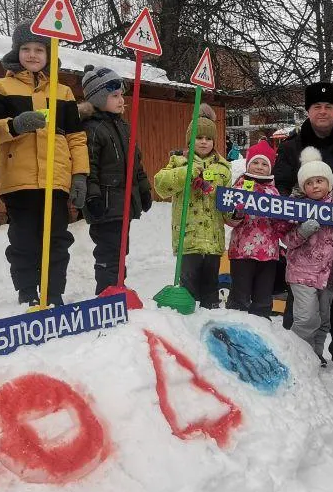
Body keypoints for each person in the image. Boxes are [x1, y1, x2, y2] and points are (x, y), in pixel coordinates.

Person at [0, 22, 89, 307]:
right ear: (16, 52)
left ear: (49, 54)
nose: (32, 55)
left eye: (39, 49)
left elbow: (77, 138)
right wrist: (14, 125)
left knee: (57, 240)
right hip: (20, 181)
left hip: (56, 180)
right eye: (26, 49)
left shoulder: (63, 91)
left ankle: (53, 293)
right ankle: (28, 292)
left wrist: (80, 175)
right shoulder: (1, 86)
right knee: (24, 240)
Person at [274, 82, 333, 366]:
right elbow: (280, 189)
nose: (322, 111)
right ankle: (296, 357)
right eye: (316, 106)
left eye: (329, 106)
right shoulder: (292, 146)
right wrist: (297, 218)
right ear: (308, 110)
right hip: (306, 240)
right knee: (304, 307)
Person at [78, 65, 153, 295]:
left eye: (122, 95)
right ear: (99, 99)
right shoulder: (92, 129)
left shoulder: (123, 127)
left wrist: (143, 189)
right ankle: (106, 290)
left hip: (124, 202)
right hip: (106, 203)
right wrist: (92, 196)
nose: (122, 100)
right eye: (115, 96)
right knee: (108, 249)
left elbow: (135, 163)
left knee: (121, 249)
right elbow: (89, 166)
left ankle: (118, 285)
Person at [153, 104, 231, 309]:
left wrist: (236, 212)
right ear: (190, 140)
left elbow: (227, 205)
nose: (204, 142)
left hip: (214, 241)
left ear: (214, 140)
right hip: (188, 240)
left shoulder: (223, 168)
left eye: (208, 138)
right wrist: (187, 173)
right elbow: (161, 185)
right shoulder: (179, 162)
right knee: (188, 293)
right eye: (199, 138)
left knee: (210, 293)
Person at [280, 147, 333, 364]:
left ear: (328, 183)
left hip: (329, 274)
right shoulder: (295, 207)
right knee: (305, 319)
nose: (315, 186)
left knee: (323, 320)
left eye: (319, 181)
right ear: (303, 186)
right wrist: (302, 231)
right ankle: (298, 356)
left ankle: (315, 354)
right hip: (301, 272)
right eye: (309, 183)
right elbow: (287, 240)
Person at [225, 140, 286, 316]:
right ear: (248, 164)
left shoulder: (274, 193)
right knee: (240, 297)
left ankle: (261, 327)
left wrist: (280, 219)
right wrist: (237, 213)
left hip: (268, 253)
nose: (259, 167)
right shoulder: (239, 187)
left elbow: (281, 225)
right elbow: (229, 219)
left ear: (270, 168)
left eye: (264, 164)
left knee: (263, 299)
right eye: (255, 163)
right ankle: (235, 326)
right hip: (242, 251)